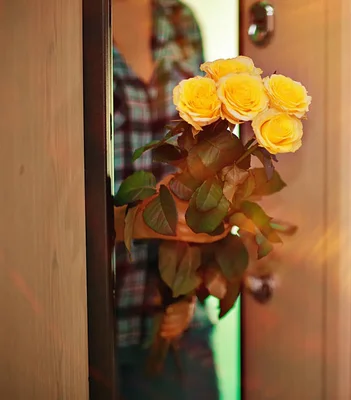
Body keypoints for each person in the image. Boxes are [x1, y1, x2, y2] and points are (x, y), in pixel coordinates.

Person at [112, 0, 219, 398]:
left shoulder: (179, 20)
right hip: (84, 324)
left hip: (174, 322)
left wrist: (190, 284)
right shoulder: (56, 25)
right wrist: (137, 220)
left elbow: (204, 152)